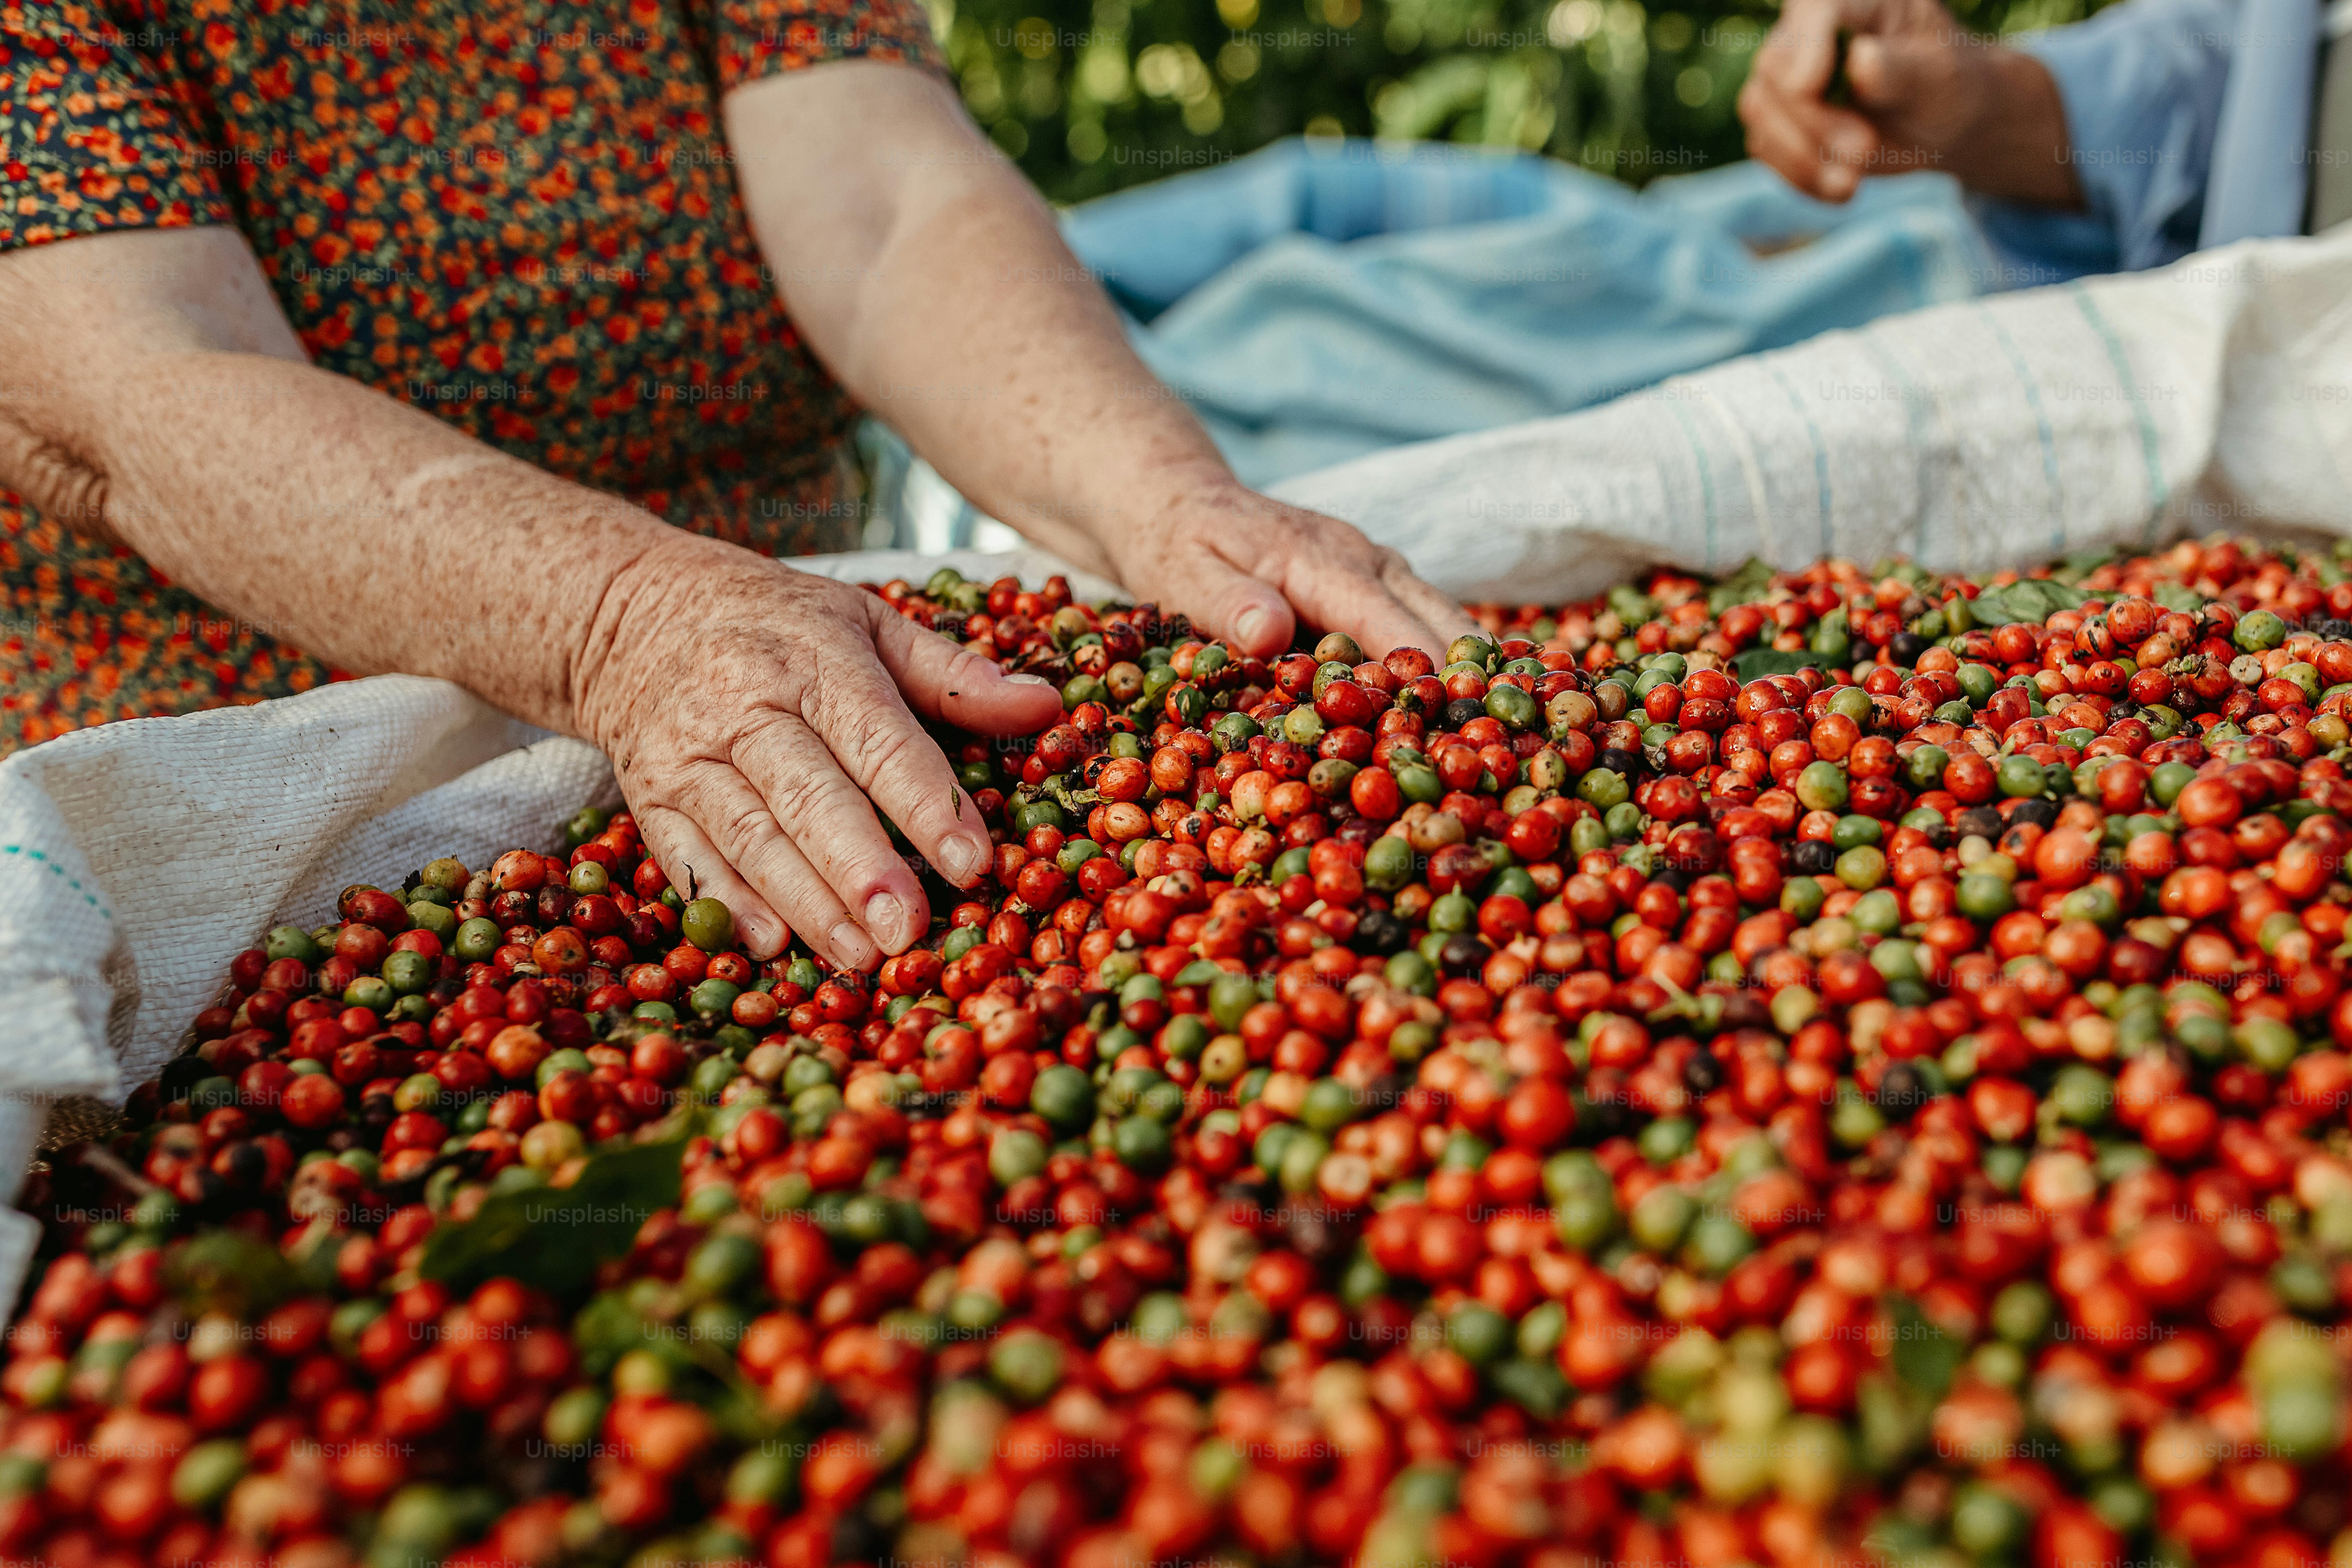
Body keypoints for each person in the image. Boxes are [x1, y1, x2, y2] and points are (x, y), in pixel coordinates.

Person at [0, 1, 1469, 972]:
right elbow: (147, 392)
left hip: (806, 659)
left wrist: (1159, 494)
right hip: (243, 780)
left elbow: (890, 204)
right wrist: (630, 620)